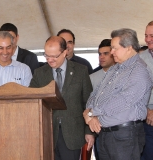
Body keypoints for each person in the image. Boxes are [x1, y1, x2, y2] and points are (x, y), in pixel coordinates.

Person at [83, 28, 152, 160]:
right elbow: (96, 92)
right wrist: (88, 112)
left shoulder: (139, 71)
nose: (112, 52)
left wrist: (93, 113)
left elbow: (124, 100)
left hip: (124, 137)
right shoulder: (114, 69)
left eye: (115, 48)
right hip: (105, 135)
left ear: (128, 48)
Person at [29, 36, 94, 160]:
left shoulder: (81, 71)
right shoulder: (39, 73)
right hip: (47, 135)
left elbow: (89, 103)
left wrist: (89, 131)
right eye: (46, 55)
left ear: (65, 52)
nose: (50, 60)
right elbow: (31, 100)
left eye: (54, 56)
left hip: (73, 134)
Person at [140, 21, 153, 160]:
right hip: (147, 120)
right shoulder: (139, 60)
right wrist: (148, 111)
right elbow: (135, 90)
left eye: (152, 35)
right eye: (146, 35)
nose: (148, 39)